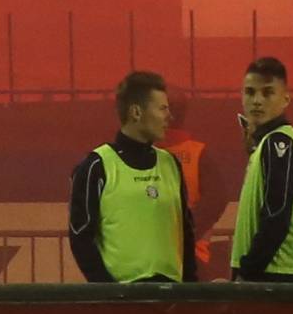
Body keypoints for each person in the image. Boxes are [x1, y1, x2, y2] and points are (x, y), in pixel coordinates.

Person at [67, 70, 197, 285]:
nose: (169, 117)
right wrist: (109, 292)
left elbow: (187, 232)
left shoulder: (171, 164)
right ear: (136, 112)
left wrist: (190, 292)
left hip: (172, 299)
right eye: (163, 108)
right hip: (122, 302)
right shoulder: (97, 165)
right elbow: (80, 237)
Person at [230, 54, 293, 284]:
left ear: (286, 99)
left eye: (267, 93)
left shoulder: (278, 144)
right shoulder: (271, 143)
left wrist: (248, 271)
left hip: (278, 274)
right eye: (249, 92)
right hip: (278, 272)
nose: (256, 100)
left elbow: (277, 216)